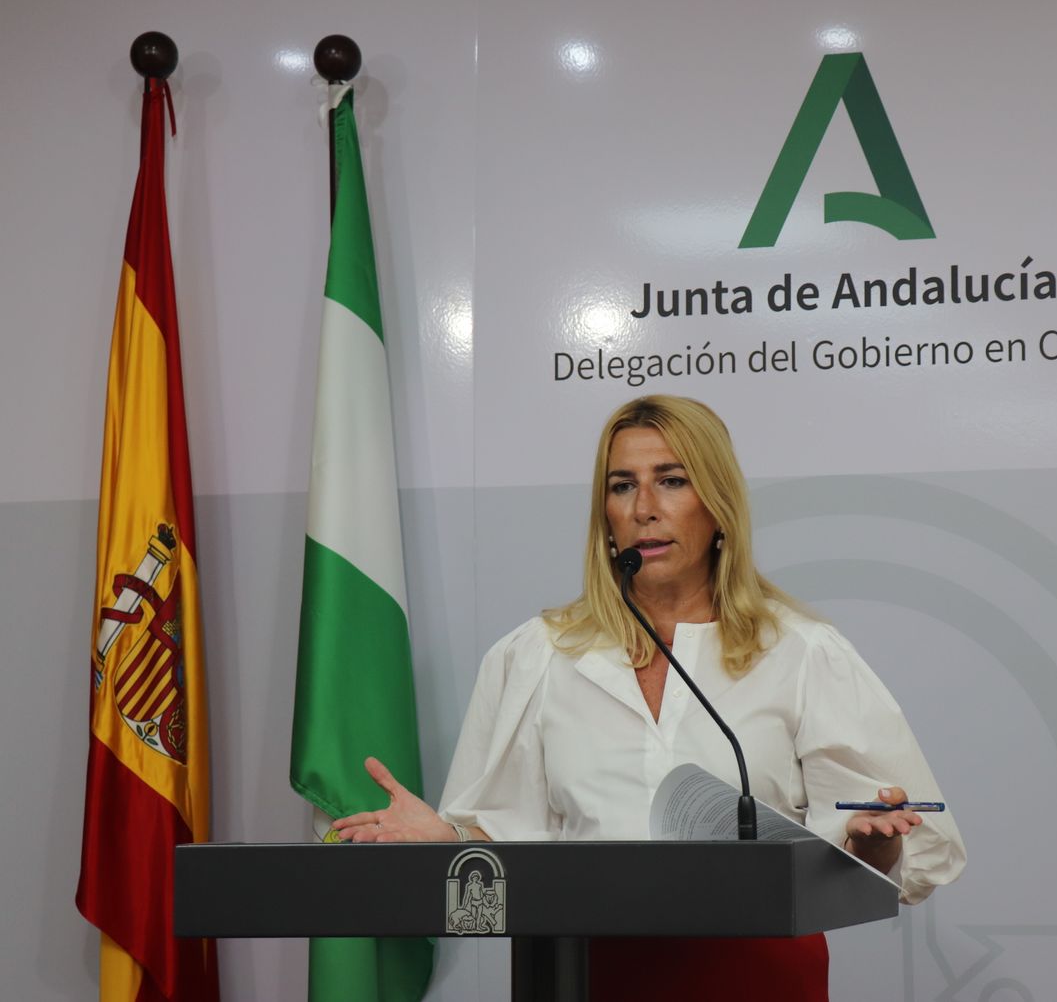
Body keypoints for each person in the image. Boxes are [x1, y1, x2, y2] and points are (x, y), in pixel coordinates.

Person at [332, 394, 965, 1000]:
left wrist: (876, 843)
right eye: (622, 486)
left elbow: (905, 846)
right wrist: (449, 840)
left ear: (718, 505)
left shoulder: (799, 651)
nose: (644, 508)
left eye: (672, 480)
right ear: (604, 515)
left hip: (757, 978)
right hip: (584, 973)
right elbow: (504, 837)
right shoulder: (537, 655)